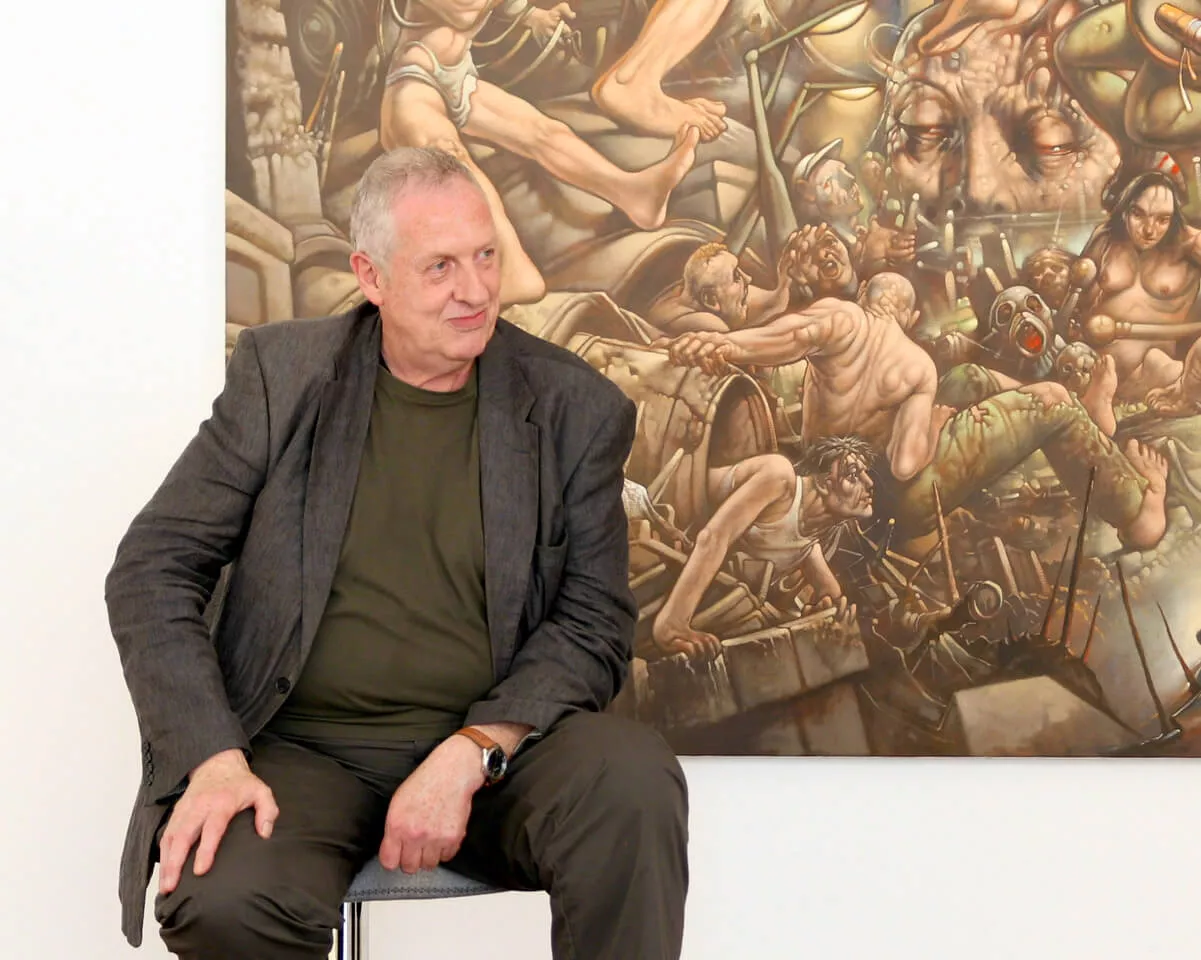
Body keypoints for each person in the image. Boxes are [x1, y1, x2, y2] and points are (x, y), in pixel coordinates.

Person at [105, 147, 688, 959]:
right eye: (440, 266)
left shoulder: (574, 408)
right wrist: (211, 757)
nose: (476, 289)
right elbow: (153, 566)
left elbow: (593, 621)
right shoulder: (283, 376)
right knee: (224, 899)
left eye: (485, 256)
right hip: (298, 751)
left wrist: (473, 750)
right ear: (370, 276)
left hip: (499, 757)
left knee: (631, 781)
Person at [655, 273, 1170, 550]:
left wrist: (727, 344)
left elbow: (789, 337)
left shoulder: (843, 320)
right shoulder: (914, 364)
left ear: (865, 294)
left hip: (831, 475)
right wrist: (936, 425)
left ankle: (1085, 415)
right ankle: (1138, 513)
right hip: (899, 503)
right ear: (911, 315)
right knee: (1051, 399)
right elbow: (905, 463)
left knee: (969, 378)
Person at [380, 0, 700, 306]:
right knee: (451, 157)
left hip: (459, 76)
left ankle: (634, 194)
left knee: (545, 132)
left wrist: (532, 15)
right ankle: (510, 269)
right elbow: (463, 11)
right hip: (414, 83)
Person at [651, 437, 875, 659]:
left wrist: (822, 613)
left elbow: (832, 599)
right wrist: (672, 622)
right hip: (659, 505)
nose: (869, 483)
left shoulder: (809, 541)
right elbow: (714, 537)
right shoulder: (779, 476)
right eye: (853, 475)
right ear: (824, 483)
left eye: (865, 473)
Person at [1077, 171, 1201, 400]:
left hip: (1154, 377)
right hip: (1090, 370)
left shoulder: (1191, 244)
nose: (1149, 230)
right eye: (1138, 214)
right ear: (1125, 209)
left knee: (1164, 367)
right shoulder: (1105, 237)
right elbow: (1076, 300)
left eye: (1162, 219)